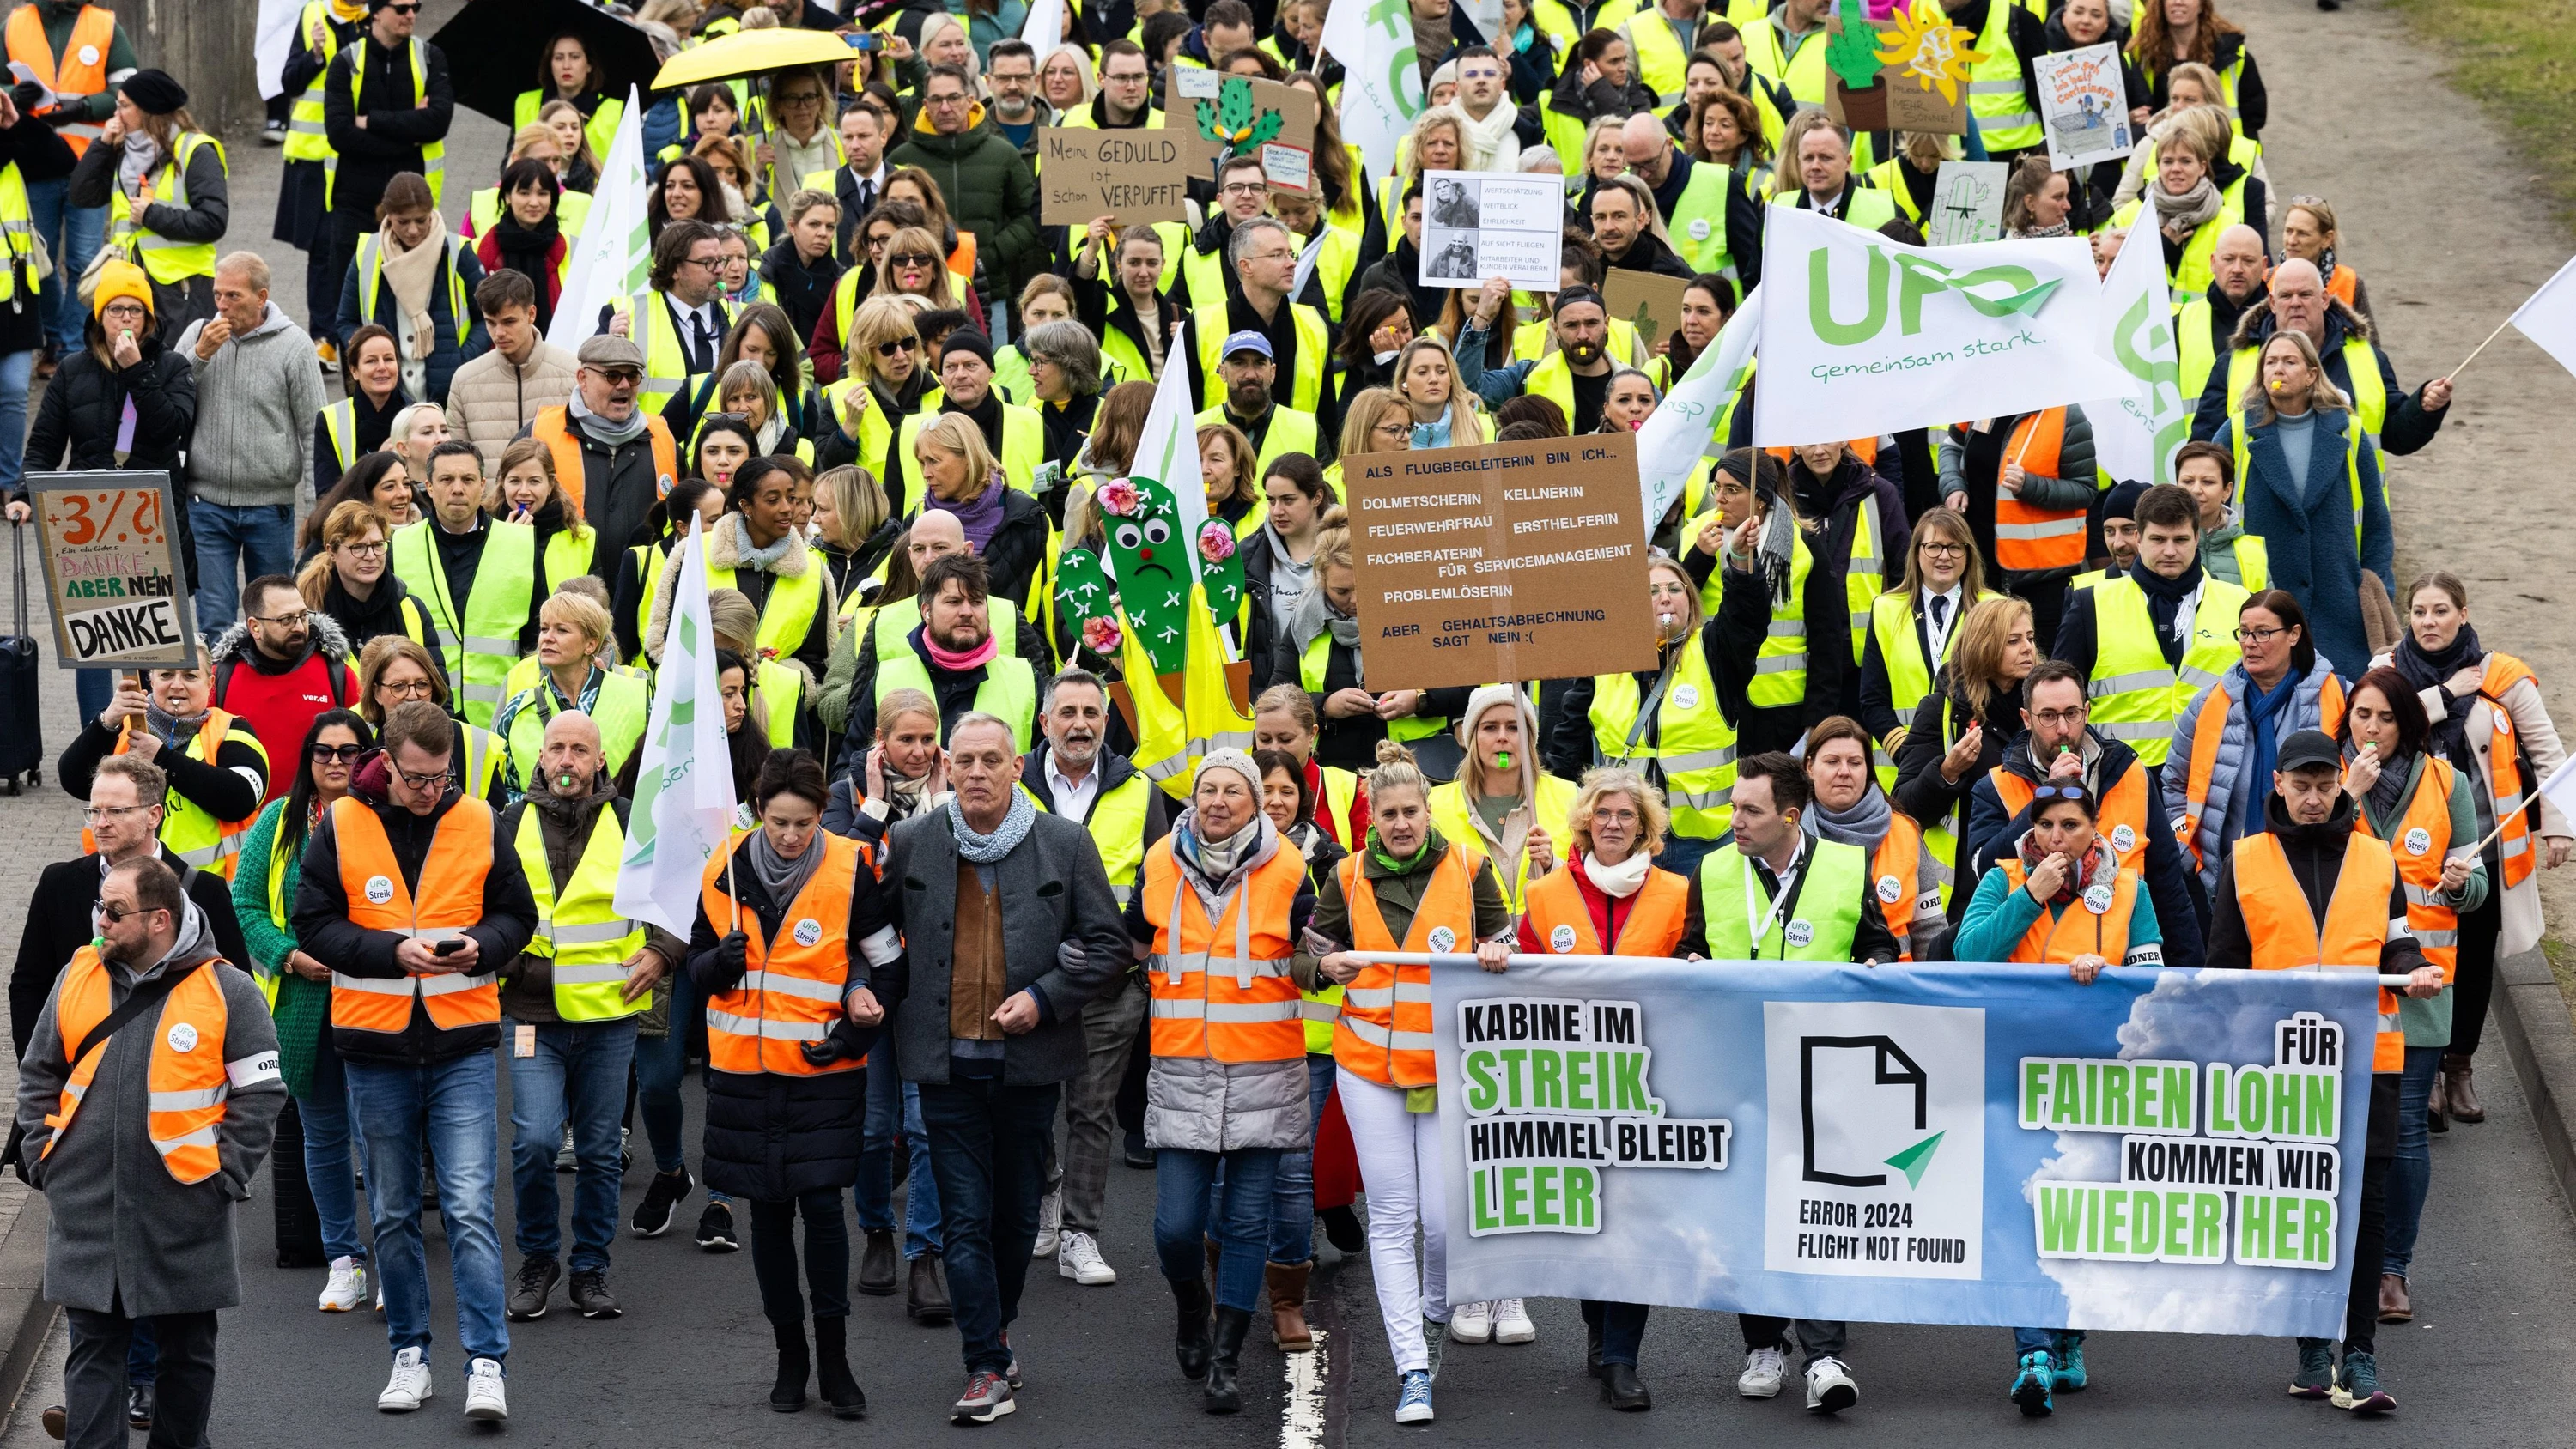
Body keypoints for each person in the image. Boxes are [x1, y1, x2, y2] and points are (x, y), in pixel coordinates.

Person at [872, 709, 1126, 1423]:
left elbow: (1109, 947)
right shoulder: (914, 840)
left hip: (1029, 1064)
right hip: (941, 1064)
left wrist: (1044, 1000)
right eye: (965, 761)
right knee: (963, 1217)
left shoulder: (1065, 845)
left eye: (992, 760)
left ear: (1019, 767)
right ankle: (984, 1364)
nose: (977, 772)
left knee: (1015, 1218)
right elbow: (871, 927)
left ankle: (999, 1328)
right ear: (946, 769)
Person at [292, 699, 538, 1422]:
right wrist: (386, 952)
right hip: (375, 1047)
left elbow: (516, 916)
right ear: (387, 764)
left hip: (461, 1041)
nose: (432, 791)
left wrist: (483, 947)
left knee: (466, 1208)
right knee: (395, 1213)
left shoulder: (479, 820)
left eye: (442, 777)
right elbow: (312, 920)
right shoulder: (342, 823)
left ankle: (486, 1364)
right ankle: (412, 1354)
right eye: (418, 778)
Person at [2204, 729, 2441, 1415]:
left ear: (2342, 785)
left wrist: (2413, 973)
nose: (2313, 799)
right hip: (2279, 1071)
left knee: (2364, 1208)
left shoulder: (2376, 858)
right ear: (2277, 785)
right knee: (2300, 1210)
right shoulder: (2245, 860)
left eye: (2324, 786)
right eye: (2301, 786)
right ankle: (2313, 1348)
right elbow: (2223, 968)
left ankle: (2359, 1355)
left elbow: (2396, 946)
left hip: (2369, 1061)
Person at [15, 855, 283, 1449]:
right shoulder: (78, 974)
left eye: (114, 911)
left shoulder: (228, 990)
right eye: (98, 907)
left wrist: (225, 1176)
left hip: (185, 1208)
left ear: (160, 919)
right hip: (86, 1203)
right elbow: (38, 1074)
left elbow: (261, 1095)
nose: (100, 922)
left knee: (186, 1356)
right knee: (93, 1351)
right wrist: (43, 1159)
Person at [1950, 779, 2166, 1416]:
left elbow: (2153, 971)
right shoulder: (2002, 877)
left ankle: (2070, 1335)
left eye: (2072, 826)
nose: (2057, 839)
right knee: (2024, 1209)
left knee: (2081, 1212)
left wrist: (2111, 977)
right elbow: (1967, 956)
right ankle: (2034, 1354)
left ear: (2095, 831)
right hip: (2012, 1073)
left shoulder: (2128, 887)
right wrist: (2028, 897)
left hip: (2096, 1077)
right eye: (2046, 826)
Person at [1313, 742, 1514, 1425]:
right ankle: (1413, 1369)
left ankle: (1436, 1306)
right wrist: (1325, 967)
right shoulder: (1343, 876)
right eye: (1388, 813)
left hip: (1446, 1070)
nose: (1400, 823)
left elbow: (1505, 938)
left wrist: (1498, 952)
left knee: (1445, 1220)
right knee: (1394, 1218)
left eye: (1411, 811)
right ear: (1370, 816)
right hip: (1368, 1067)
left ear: (1429, 811)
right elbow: (1312, 953)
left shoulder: (1469, 864)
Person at [683, 748, 889, 1416]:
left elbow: (889, 967)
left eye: (803, 823)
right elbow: (693, 968)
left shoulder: (851, 868)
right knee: (768, 1218)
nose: (792, 836)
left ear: (822, 815)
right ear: (759, 811)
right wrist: (717, 962)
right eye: (779, 823)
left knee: (825, 1211)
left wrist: (855, 1034)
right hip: (742, 1073)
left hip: (822, 1069)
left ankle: (835, 1358)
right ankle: (789, 1356)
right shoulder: (724, 869)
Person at [1128, 749, 1315, 1415]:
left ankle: (1227, 1361)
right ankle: (1190, 1309)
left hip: (1264, 1072)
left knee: (1245, 1223)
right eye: (1208, 789)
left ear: (1256, 803)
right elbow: (1128, 941)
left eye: (1233, 791)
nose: (1217, 801)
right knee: (1177, 1227)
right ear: (1193, 799)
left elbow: (1311, 954)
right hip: (1182, 1069)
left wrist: (1327, 964)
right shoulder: (1158, 864)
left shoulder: (1292, 871)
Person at [1505, 767, 1683, 1409]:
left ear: (1645, 827)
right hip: (1570, 1085)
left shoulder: (1674, 892)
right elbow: (1517, 984)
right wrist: (1501, 956)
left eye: (1626, 816)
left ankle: (1621, 1359)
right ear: (1584, 821)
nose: (1613, 824)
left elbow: (1697, 969)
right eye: (1602, 814)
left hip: (1647, 1083)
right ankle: (1597, 1326)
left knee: (1633, 1224)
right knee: (1589, 1220)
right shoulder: (1545, 894)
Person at [492, 712, 671, 1326]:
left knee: (598, 1150)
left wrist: (664, 950)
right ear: (540, 759)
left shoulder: (630, 821)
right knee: (536, 1141)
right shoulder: (509, 823)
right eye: (557, 749)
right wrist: (508, 963)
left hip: (607, 1014)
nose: (567, 760)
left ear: (600, 761)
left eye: (580, 750)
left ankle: (591, 1268)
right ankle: (539, 1260)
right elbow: (482, 903)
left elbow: (674, 895)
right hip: (530, 1015)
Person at [2374, 572, 2572, 1128]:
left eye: (2441, 611)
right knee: (2413, 954)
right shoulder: (2384, 675)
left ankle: (2459, 1069)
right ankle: (2425, 1071)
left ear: (2464, 613)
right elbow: (2372, 726)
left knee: (2474, 962)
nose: (2429, 622)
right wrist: (2446, 695)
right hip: (2403, 855)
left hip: (2480, 848)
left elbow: (2548, 754)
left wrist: (2559, 827)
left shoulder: (2503, 677)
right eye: (2419, 611)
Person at [2336, 667, 2477, 1325]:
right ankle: (2335, 1262)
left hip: (2421, 988)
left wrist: (2456, 885)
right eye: (2362, 715)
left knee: (2407, 1134)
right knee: (2337, 1130)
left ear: (2408, 724)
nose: (2372, 728)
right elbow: (2297, 854)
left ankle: (2393, 1271)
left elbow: (2474, 890)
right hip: (2343, 982)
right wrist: (2343, 796)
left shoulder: (2448, 784)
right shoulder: (2327, 778)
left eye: (2385, 717)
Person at [1022, 670, 1170, 1288]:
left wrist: (1134, 947)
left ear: (1108, 722)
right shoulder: (1013, 785)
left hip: (1113, 981)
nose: (1081, 723)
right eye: (1069, 712)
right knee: (1031, 1109)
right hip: (1032, 980)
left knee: (1092, 1110)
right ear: (1045, 722)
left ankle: (1081, 1234)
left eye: (1093, 712)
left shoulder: (1141, 789)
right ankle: (1046, 1189)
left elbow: (1160, 876)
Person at [230, 712, 375, 1316]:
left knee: (379, 1140)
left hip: (374, 997)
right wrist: (286, 955)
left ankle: (394, 1259)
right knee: (322, 1136)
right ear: (307, 759)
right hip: (303, 1005)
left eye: (348, 751)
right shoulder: (278, 821)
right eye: (323, 752)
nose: (336, 762)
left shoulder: (383, 819)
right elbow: (244, 901)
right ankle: (344, 1259)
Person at [13, 755, 250, 1072]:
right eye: (94, 811)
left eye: (116, 811)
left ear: (154, 815)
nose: (101, 823)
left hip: (171, 1077)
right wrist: (40, 1072)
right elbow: (30, 985)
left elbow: (236, 990)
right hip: (75, 1077)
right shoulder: (59, 883)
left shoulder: (201, 890)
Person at [1964, 659, 2208, 961]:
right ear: (2027, 719)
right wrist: (2046, 795)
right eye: (2049, 717)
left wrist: (2188, 978)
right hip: (2032, 971)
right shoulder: (1996, 785)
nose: (2063, 729)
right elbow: (1982, 868)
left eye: (2072, 714)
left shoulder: (2129, 773)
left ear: (2087, 711)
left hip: (2118, 965)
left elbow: (2168, 886)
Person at [2207, 330, 2392, 676]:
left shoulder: (2349, 432)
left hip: (2339, 610)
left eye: (2290, 361)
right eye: (2271, 362)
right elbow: (2204, 512)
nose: (2278, 369)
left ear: (2311, 374)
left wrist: (2375, 585)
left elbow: (2377, 523)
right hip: (2262, 605)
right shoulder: (2236, 432)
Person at [175, 252, 326, 635]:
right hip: (206, 506)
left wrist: (315, 507)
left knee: (277, 620)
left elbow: (315, 431)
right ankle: (218, 697)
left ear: (261, 297)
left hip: (270, 508)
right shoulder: (197, 335)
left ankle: (270, 693)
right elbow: (166, 399)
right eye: (217, 294)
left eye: (233, 296)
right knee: (215, 621)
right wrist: (200, 356)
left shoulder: (295, 346)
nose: (222, 306)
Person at [2053, 482, 2250, 777]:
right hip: (2119, 774)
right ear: (2138, 538)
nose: (2169, 551)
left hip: (2216, 772)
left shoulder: (2239, 602)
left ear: (2197, 537)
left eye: (2180, 539)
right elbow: (2058, 699)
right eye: (2158, 539)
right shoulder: (2090, 603)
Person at [2166, 590, 2351, 889]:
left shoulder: (2341, 697)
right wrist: (2188, 852)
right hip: (2225, 881)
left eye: (2263, 633)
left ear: (2294, 635)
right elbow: (2174, 783)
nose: (2250, 643)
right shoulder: (2208, 704)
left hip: (2316, 877)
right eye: (2244, 633)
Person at [1275, 512, 1471, 779]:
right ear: (1322, 582)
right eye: (1341, 592)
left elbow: (1469, 684)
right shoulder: (1304, 626)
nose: (1354, 600)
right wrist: (1326, 706)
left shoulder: (1422, 612)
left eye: (1362, 586)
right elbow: (1277, 700)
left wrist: (1420, 699)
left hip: (1419, 769)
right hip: (1337, 775)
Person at [1891, 596, 2036, 920]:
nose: (2028, 648)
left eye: (2030, 638)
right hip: (1967, 894)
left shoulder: (2045, 708)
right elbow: (1904, 808)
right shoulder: (1941, 710)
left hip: (2040, 881)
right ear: (1983, 646)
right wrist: (1947, 772)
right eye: (2013, 641)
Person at [58, 664, 270, 880]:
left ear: (210, 683)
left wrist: (162, 757)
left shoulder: (230, 730)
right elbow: (73, 780)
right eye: (167, 675)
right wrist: (106, 721)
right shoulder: (124, 725)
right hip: (120, 884)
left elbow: (241, 799)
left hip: (202, 890)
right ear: (151, 680)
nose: (177, 685)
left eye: (190, 676)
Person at [9, 0, 135, 364]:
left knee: (83, 260)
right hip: (34, 165)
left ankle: (71, 347)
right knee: (40, 260)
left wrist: (84, 107)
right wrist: (15, 96)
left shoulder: (106, 25)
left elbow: (128, 88)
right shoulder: (14, 25)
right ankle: (52, 335)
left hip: (90, 164)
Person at [392, 440, 539, 728]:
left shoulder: (522, 545)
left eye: (468, 479)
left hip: (505, 713)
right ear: (429, 487)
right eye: (446, 479)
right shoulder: (400, 546)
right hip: (421, 715)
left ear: (482, 485)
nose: (457, 488)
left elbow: (536, 636)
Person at [72, 68, 224, 332]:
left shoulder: (196, 151)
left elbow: (213, 221)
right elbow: (82, 195)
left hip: (181, 289)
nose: (116, 114)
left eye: (124, 106)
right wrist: (103, 144)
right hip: (128, 286)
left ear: (147, 110)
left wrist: (151, 215)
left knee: (179, 369)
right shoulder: (121, 150)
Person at [1860, 508, 1992, 803]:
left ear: (1968, 554)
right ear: (1917, 552)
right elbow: (1873, 700)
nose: (1944, 556)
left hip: (1975, 767)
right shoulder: (1885, 609)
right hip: (1900, 768)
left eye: (1955, 547)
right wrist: (1910, 755)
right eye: (1933, 546)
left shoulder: (1993, 609)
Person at [523, 334, 681, 570]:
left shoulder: (662, 436)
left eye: (632, 376)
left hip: (643, 591)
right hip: (567, 592)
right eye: (613, 376)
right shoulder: (540, 433)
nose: (624, 385)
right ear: (583, 379)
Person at [887, 64, 1039, 305]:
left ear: (970, 100)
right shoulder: (901, 159)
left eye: (953, 98)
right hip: (915, 292)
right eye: (936, 100)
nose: (945, 107)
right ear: (925, 105)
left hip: (988, 290)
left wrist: (991, 254)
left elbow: (1030, 215)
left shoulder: (1003, 154)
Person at [204, 575, 360, 807]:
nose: (299, 627)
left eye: (303, 616)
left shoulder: (337, 673)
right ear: (255, 627)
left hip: (319, 825)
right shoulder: (220, 678)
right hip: (243, 826)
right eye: (286, 620)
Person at [336, 172, 486, 408]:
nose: (413, 230)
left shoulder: (458, 252)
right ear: (388, 216)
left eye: (421, 220)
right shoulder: (367, 254)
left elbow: (487, 318)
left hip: (449, 396)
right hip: (386, 397)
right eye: (403, 222)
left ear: (432, 214)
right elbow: (346, 321)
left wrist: (461, 360)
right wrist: (372, 358)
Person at [1801, 717, 1944, 960]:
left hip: (1892, 989)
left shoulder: (1904, 831)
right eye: (1832, 761)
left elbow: (1929, 929)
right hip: (1816, 989)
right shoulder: (1789, 835)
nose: (1844, 772)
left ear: (1867, 769)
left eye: (1855, 763)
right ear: (1810, 767)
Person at [1180, 215, 1331, 433]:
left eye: (1291, 254)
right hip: (1218, 461)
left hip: (1298, 462)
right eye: (1277, 255)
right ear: (1246, 266)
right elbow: (1183, 416)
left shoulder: (1315, 325)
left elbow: (1327, 417)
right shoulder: (1197, 327)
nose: (1292, 263)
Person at [491, 591, 648, 797]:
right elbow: (502, 789)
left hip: (617, 826)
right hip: (537, 828)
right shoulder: (518, 708)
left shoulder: (639, 697)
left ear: (590, 644)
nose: (547, 638)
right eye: (544, 629)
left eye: (561, 630)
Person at [355, 634, 510, 808]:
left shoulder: (474, 743)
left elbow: (499, 822)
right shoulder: (358, 743)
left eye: (422, 684)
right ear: (377, 693)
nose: (412, 695)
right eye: (398, 686)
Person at [604, 220, 734, 421]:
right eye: (707, 262)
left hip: (725, 447)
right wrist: (609, 346)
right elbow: (598, 388)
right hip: (651, 445)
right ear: (676, 269)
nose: (719, 270)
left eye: (720, 260)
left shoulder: (741, 316)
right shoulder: (625, 313)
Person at [445, 270, 574, 470]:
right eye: (490, 322)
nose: (499, 333)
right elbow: (456, 463)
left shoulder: (572, 372)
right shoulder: (465, 380)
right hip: (489, 500)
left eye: (509, 322)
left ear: (531, 314)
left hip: (558, 500)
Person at [296, 494, 434, 652]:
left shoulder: (411, 608)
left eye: (377, 545)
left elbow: (435, 673)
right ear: (331, 552)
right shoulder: (307, 614)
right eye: (358, 547)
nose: (370, 556)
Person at [466, 163, 569, 332]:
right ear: (507, 196)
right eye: (524, 193)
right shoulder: (477, 250)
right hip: (494, 354)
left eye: (542, 193)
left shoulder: (572, 249)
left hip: (557, 354)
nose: (534, 202)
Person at [2176, 223, 2268, 403]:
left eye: (2248, 260)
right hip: (2197, 432)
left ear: (2264, 265)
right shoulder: (2182, 323)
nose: (2237, 269)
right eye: (2229, 259)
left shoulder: (2280, 323)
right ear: (2213, 262)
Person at [313, 324, 407, 488]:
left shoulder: (418, 416)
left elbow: (430, 491)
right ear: (354, 370)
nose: (382, 367)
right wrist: (378, 462)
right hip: (353, 514)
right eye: (371, 361)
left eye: (388, 359)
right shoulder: (330, 419)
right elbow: (326, 496)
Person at [2172, 440, 2269, 589]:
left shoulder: (2252, 552)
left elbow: (2267, 609)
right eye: (2188, 481)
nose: (2196, 490)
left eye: (2208, 482)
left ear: (2227, 491)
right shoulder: (2158, 544)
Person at [764, 188, 842, 349]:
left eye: (830, 227)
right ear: (792, 226)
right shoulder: (767, 268)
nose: (823, 233)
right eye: (814, 224)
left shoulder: (841, 279)